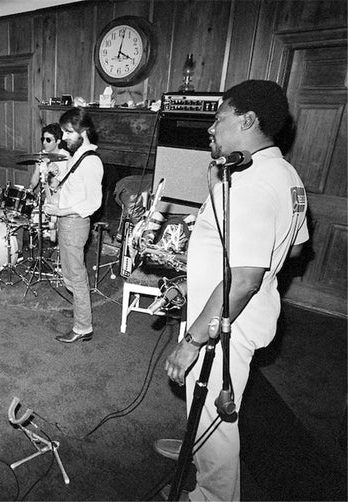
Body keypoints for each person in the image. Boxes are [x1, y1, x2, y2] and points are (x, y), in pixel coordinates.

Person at [160, 80, 309, 500]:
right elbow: (294, 247)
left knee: (216, 418)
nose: (211, 128)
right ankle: (195, 447)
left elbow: (243, 279)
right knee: (204, 409)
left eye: (218, 118)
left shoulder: (253, 183)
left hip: (225, 323)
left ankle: (211, 494)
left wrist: (191, 341)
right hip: (228, 310)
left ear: (247, 120)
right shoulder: (282, 174)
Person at [43, 107, 104, 343]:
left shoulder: (91, 162)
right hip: (67, 221)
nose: (65, 137)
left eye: (69, 132)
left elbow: (91, 203)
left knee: (75, 276)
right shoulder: (79, 154)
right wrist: (56, 175)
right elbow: (74, 189)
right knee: (69, 273)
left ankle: (82, 327)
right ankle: (81, 310)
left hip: (74, 223)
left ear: (84, 130)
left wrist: (59, 210)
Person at [28, 123, 69, 191]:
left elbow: (67, 185)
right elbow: (35, 179)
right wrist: (30, 189)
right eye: (43, 139)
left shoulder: (66, 158)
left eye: (48, 140)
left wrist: (52, 174)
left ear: (58, 141)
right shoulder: (41, 155)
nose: (44, 142)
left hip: (60, 196)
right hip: (46, 195)